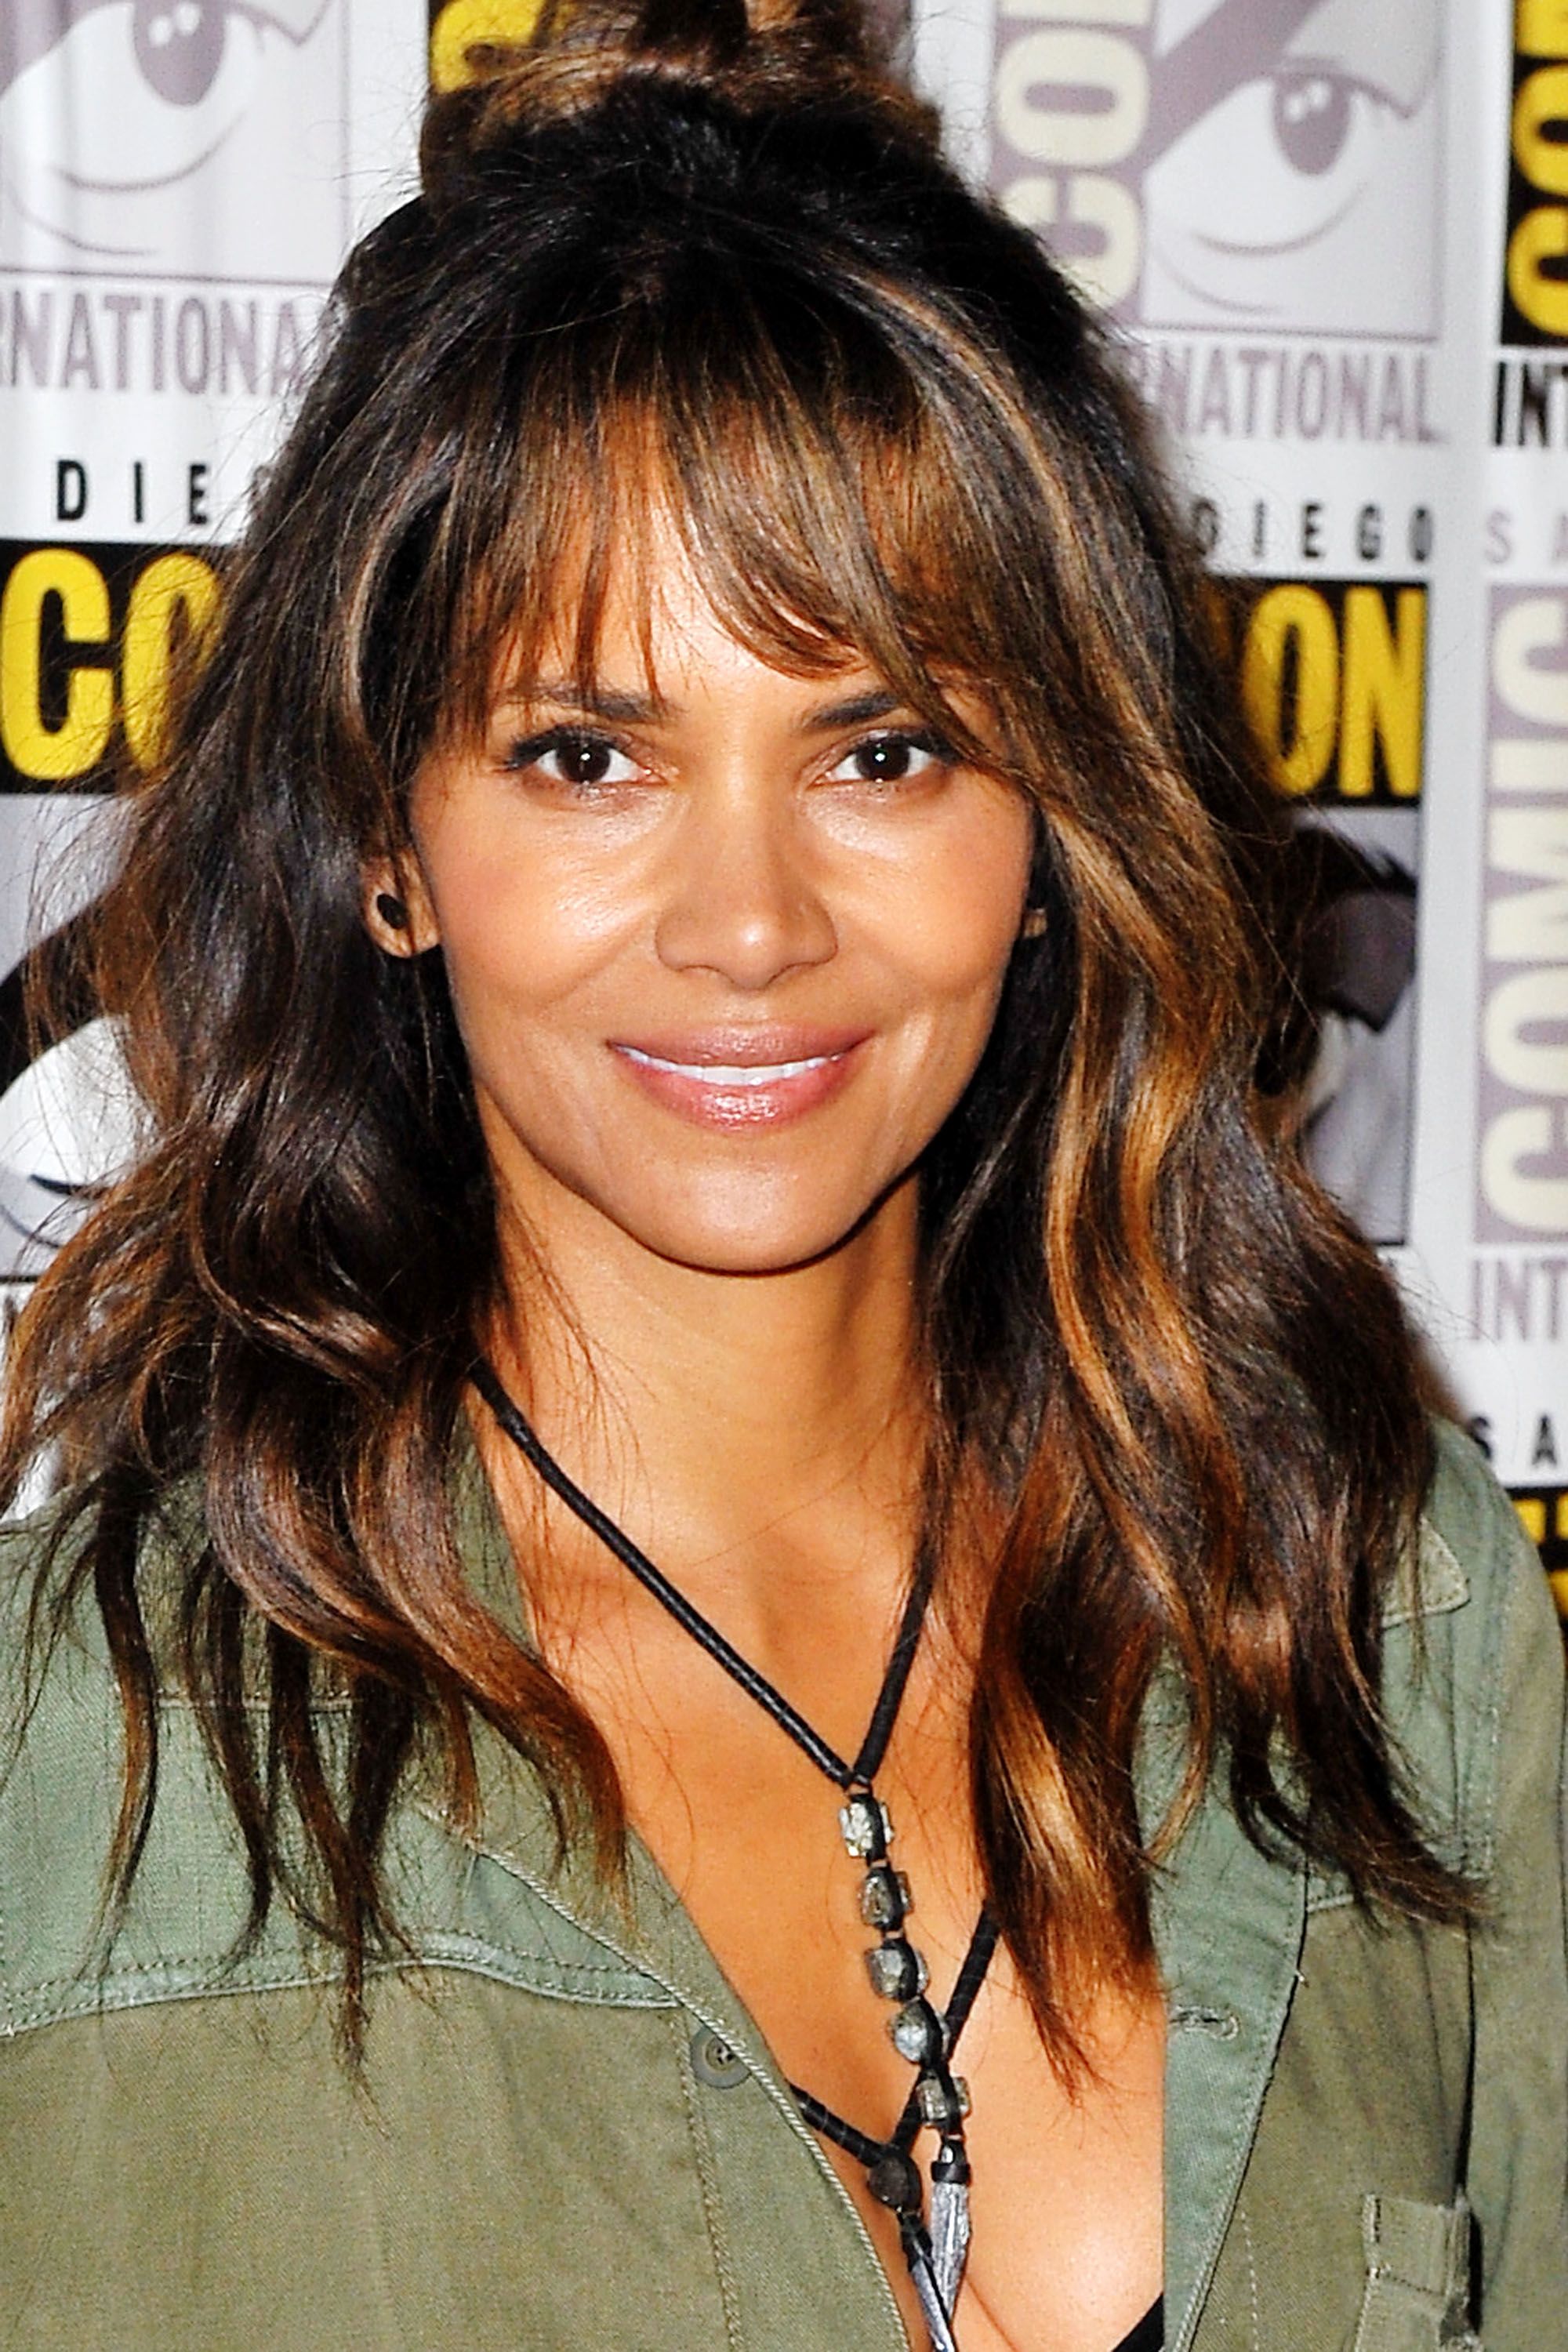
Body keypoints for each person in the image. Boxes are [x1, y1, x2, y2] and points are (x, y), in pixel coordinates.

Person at [0, 5, 1563, 2349]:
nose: (750, 925)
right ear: (385, 845)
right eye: (587, 755)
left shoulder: (1377, 1604)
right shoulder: (71, 1769)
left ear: (1054, 828)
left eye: (884, 750)